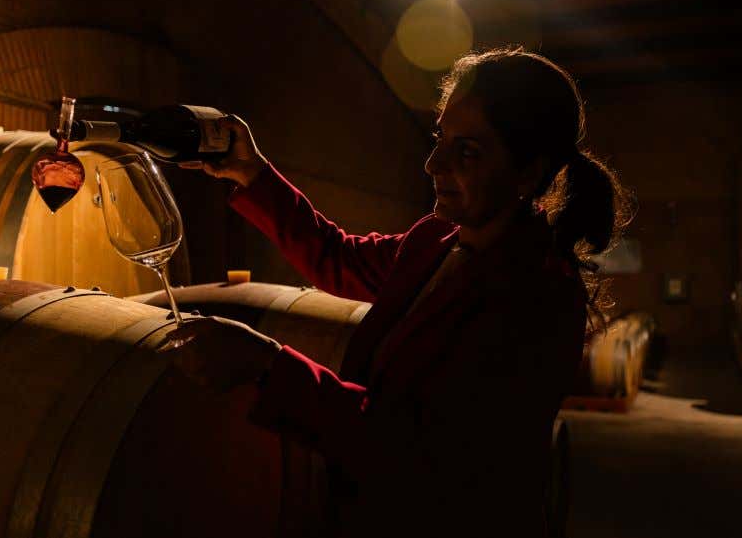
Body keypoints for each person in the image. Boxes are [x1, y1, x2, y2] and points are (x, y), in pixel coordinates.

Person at [169, 47, 628, 537]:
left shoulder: (538, 296)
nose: (433, 164)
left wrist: (269, 365)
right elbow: (336, 257)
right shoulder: (435, 241)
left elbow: (422, 450)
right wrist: (251, 172)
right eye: (440, 138)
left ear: (529, 172)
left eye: (467, 151)